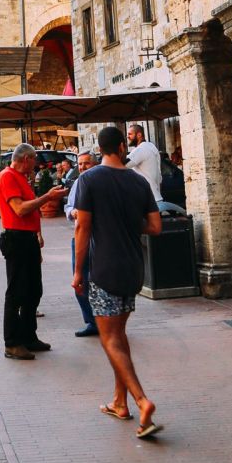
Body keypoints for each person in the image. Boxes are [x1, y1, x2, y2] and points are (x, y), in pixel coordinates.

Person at [72, 126, 163, 438]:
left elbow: (82, 228)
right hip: (133, 268)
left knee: (108, 339)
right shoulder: (138, 181)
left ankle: (141, 400)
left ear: (100, 149)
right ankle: (119, 402)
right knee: (119, 337)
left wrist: (77, 271)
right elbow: (155, 226)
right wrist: (127, 222)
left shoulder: (89, 179)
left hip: (104, 268)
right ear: (123, 147)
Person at [0, 143, 50, 360]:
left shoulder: (22, 178)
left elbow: (30, 211)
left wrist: (37, 233)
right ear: (25, 159)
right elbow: (20, 209)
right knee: (16, 292)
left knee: (34, 289)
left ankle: (28, 336)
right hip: (16, 239)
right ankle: (12, 343)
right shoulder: (7, 177)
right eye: (34, 159)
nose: (36, 163)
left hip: (27, 238)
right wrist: (47, 198)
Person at [65, 151, 98, 336]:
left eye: (86, 164)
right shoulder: (78, 183)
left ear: (94, 164)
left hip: (100, 237)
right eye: (80, 164)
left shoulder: (101, 183)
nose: (82, 167)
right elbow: (68, 207)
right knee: (80, 280)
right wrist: (72, 213)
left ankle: (106, 321)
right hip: (79, 237)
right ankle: (92, 322)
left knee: (103, 280)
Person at [127, 123, 163, 202]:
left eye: (130, 134)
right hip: (155, 196)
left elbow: (122, 165)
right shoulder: (151, 146)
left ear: (139, 135)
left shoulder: (141, 149)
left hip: (147, 199)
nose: (128, 137)